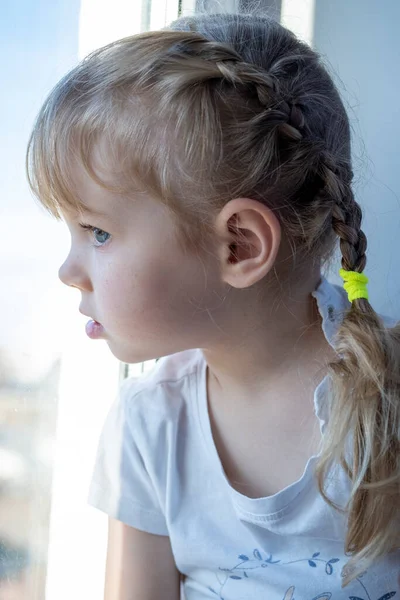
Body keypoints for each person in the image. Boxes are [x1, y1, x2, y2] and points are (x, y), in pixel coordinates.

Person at [26, 10, 399, 600]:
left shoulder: (388, 401)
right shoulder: (150, 424)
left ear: (240, 245)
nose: (69, 272)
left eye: (97, 232)